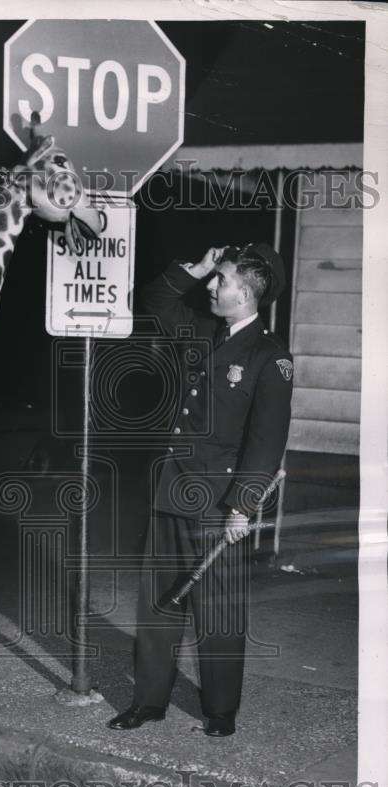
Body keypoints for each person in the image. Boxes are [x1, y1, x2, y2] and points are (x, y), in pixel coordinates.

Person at [108, 243, 293, 737]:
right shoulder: (206, 333)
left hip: (218, 503)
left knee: (217, 610)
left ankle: (220, 711)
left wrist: (242, 508)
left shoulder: (270, 359)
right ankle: (148, 702)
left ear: (248, 293)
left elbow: (266, 441)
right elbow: (156, 300)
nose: (213, 286)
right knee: (157, 602)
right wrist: (198, 267)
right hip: (172, 489)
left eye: (223, 279)